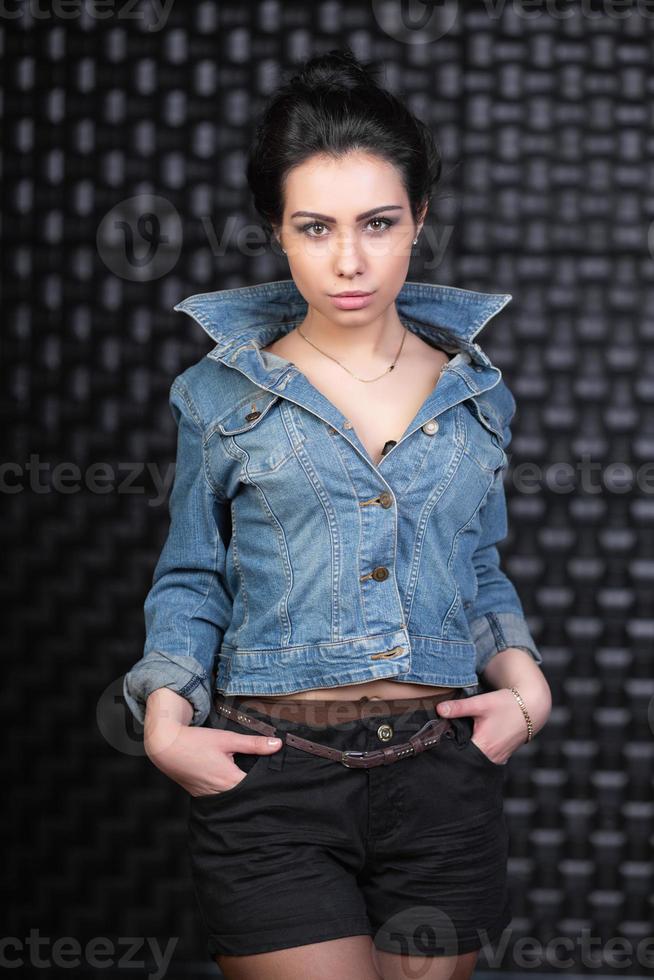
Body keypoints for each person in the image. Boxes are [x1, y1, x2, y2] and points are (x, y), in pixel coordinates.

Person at [123, 48, 552, 980]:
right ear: (277, 232)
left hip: (442, 771)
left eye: (378, 223)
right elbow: (196, 574)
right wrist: (164, 717)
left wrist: (526, 687)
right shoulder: (217, 393)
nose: (349, 260)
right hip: (274, 776)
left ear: (420, 221)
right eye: (315, 227)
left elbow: (476, 566)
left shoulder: (478, 394)